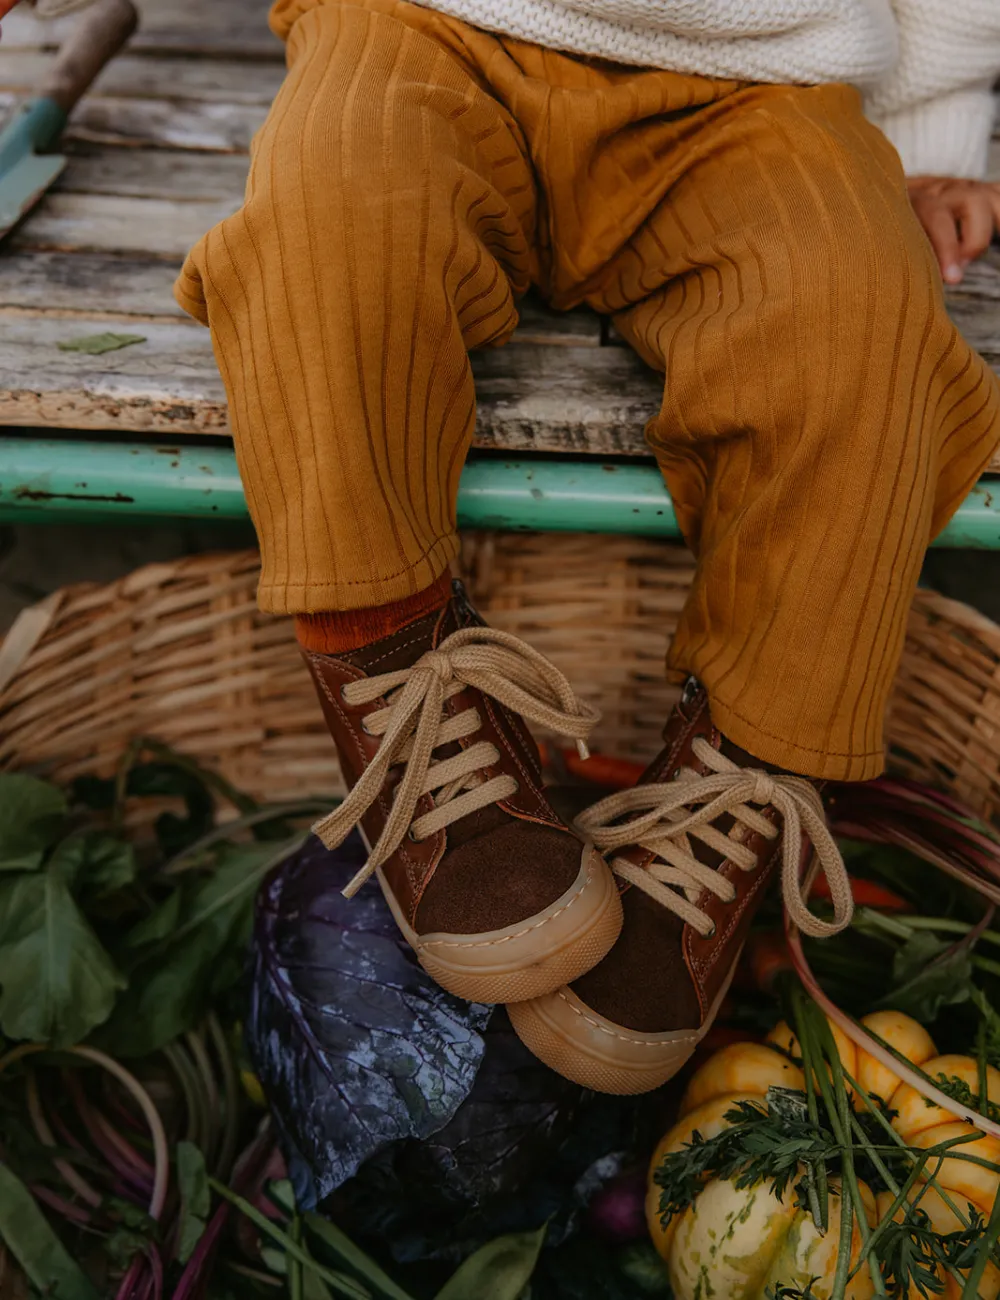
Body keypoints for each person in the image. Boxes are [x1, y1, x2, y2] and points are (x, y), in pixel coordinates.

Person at [170, 0, 1000, 1095]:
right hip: (426, 30)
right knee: (332, 243)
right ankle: (383, 651)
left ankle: (741, 773)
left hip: (759, 79)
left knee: (865, 353)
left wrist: (937, 128)